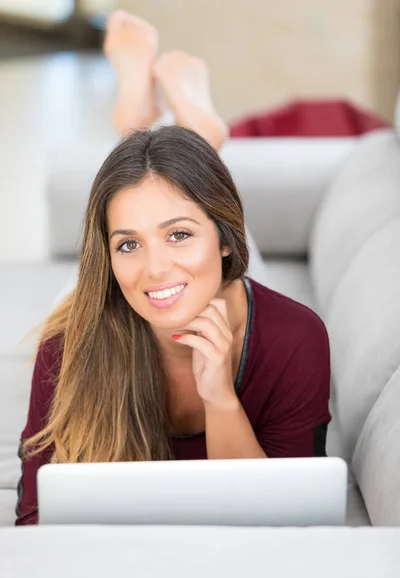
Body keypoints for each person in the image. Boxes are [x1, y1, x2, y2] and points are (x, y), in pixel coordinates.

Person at [15, 11, 331, 526]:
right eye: (127, 245)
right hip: (104, 308)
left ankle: (185, 132)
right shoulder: (70, 341)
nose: (154, 269)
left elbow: (285, 526)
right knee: (149, 221)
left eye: (179, 235)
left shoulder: (296, 338)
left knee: (180, 230)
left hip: (237, 291)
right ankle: (169, 131)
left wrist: (221, 400)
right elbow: (33, 522)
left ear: (225, 240)